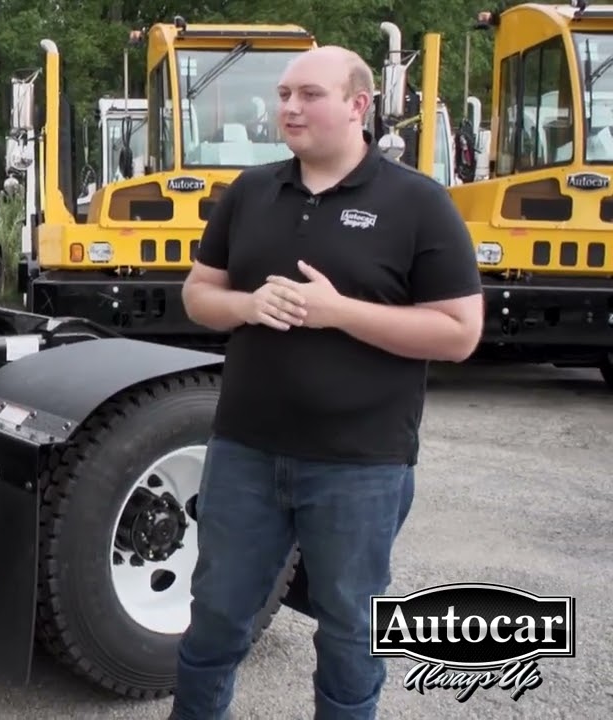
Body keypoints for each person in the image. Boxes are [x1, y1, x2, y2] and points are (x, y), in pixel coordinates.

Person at [171, 46, 484, 719]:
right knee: (216, 616)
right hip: (245, 452)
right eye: (283, 94)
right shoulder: (250, 192)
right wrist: (247, 306)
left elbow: (460, 332)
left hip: (360, 465)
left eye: (308, 94)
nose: (287, 107)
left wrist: (338, 312)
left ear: (357, 104)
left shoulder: (418, 204)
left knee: (349, 631)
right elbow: (199, 293)